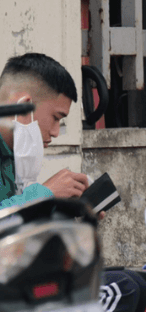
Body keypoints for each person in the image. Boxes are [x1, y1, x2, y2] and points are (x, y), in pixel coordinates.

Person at [0, 53, 89, 206]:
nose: (55, 132)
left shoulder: (10, 156)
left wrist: (64, 207)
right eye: (56, 118)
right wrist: (45, 194)